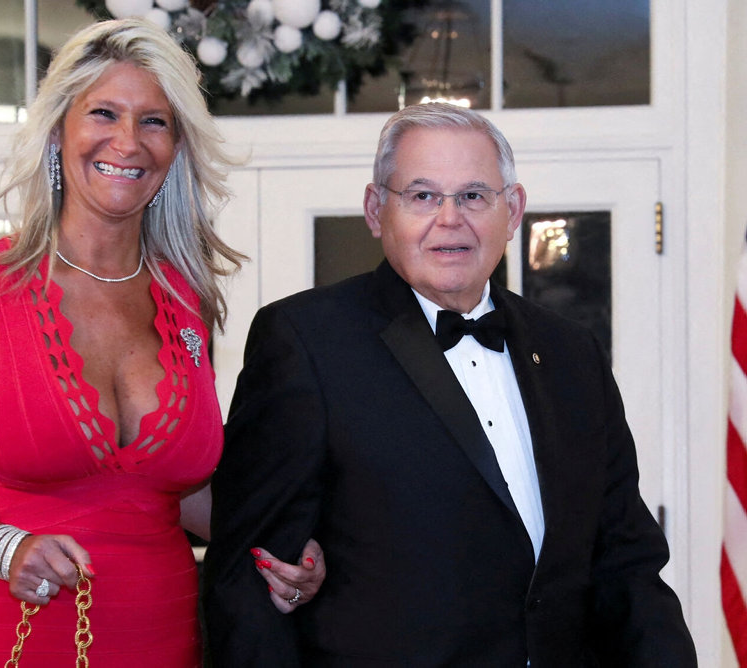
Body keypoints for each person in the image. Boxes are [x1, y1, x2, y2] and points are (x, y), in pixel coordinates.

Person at [0, 18, 324, 667]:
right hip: (5, 636)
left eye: (155, 121)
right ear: (59, 131)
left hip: (163, 639)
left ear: (177, 146)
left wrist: (281, 547)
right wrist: (1, 545)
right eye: (103, 112)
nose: (128, 141)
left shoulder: (185, 300)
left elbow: (177, 489)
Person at [203, 102, 697, 666]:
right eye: (422, 195)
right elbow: (248, 581)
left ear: (512, 211)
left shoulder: (571, 352)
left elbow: (626, 562)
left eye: (473, 196)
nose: (450, 218)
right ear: (375, 210)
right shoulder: (304, 341)